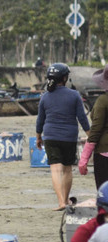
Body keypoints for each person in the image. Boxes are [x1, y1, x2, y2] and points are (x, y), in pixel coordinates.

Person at [36, 63, 90, 210]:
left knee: (55, 169)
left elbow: (40, 119)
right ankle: (65, 201)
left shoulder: (45, 97)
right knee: (67, 169)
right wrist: (91, 136)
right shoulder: (74, 95)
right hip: (69, 137)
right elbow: (83, 119)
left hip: (51, 137)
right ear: (65, 78)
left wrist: (38, 137)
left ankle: (61, 202)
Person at [78, 65, 108, 189]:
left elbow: (95, 131)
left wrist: (84, 158)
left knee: (104, 193)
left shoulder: (103, 101)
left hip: (104, 153)